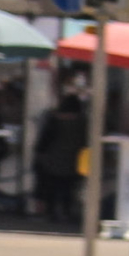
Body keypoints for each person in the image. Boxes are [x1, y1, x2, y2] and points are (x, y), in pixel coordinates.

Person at [35, 85, 85, 223]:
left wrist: (39, 154)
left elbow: (45, 139)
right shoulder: (82, 122)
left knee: (52, 188)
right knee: (68, 189)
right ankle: (66, 212)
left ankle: (51, 213)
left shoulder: (55, 119)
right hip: (73, 160)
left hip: (53, 160)